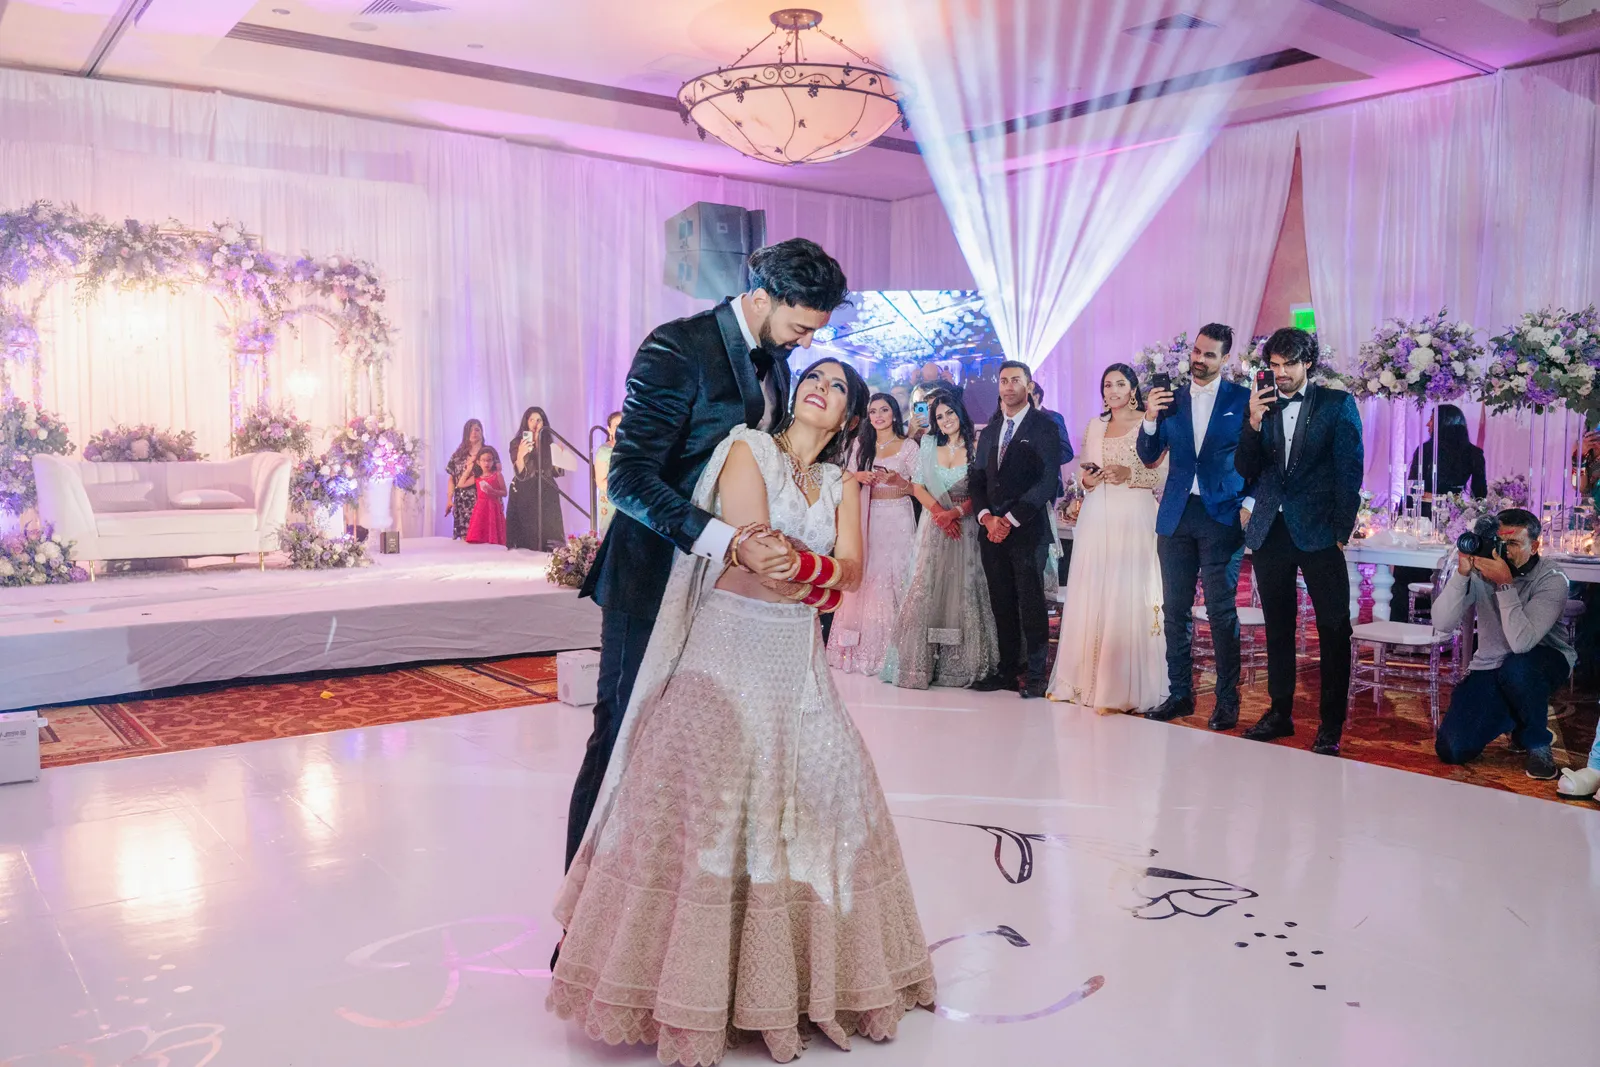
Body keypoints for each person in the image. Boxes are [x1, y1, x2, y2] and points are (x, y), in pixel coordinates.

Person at [548, 359, 935, 1064]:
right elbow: (755, 544)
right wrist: (806, 573)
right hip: (724, 648)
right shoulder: (744, 448)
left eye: (839, 385)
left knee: (825, 791)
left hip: (794, 661)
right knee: (706, 800)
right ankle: (684, 985)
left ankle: (791, 982)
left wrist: (808, 575)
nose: (822, 387)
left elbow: (848, 571)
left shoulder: (844, 483)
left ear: (850, 415)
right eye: (814, 376)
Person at [567, 238, 849, 889]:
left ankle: (663, 912)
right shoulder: (677, 346)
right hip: (652, 575)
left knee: (698, 750)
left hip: (728, 591)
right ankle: (579, 919)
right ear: (761, 296)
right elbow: (629, 480)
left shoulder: (776, 364)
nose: (806, 342)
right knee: (623, 738)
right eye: (801, 325)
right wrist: (724, 538)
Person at [1235, 327, 1364, 756]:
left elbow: (1350, 472)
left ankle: (1331, 725)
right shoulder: (1263, 405)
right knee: (1278, 627)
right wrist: (1252, 422)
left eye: (1289, 364)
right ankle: (1279, 711)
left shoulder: (1336, 404)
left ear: (1308, 362)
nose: (1281, 373)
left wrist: (1341, 532)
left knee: (1332, 628)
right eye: (1274, 365)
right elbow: (1246, 467)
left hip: (1321, 532)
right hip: (1272, 530)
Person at [1138, 324, 1253, 730]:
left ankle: (1226, 700)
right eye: (1197, 352)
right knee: (1174, 610)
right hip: (1176, 514)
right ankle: (1180, 694)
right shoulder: (1171, 400)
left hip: (1222, 514)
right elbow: (1149, 455)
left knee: (1221, 612)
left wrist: (1250, 504)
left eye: (1209, 355)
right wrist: (1150, 417)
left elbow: (1259, 457)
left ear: (1225, 360)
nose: (1199, 360)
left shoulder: (1243, 399)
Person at [1049, 364, 1168, 713]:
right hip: (1097, 514)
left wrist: (1129, 472)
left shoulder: (1150, 423)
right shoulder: (1094, 425)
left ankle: (1121, 688)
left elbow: (1163, 472)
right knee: (1092, 590)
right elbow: (1084, 475)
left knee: (1126, 593)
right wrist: (1088, 482)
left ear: (1133, 389)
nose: (1112, 390)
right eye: (1106, 385)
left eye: (1120, 384)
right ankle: (1082, 681)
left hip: (1135, 514)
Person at [1432, 509, 1574, 780]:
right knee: (1452, 748)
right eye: (1500, 542)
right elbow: (1442, 623)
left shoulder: (1553, 578)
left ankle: (1536, 742)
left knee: (1518, 668)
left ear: (1534, 547)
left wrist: (1505, 586)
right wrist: (1462, 574)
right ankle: (1516, 715)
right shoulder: (1482, 570)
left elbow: (1522, 643)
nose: (1504, 551)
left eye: (1513, 544)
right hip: (1491, 664)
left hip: (1542, 659)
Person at [882, 390, 999, 688]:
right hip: (934, 526)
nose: (945, 420)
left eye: (949, 413)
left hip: (967, 527)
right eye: (939, 416)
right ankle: (920, 666)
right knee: (928, 586)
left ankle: (958, 664)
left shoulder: (977, 445)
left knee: (963, 588)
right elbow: (917, 486)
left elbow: (982, 489)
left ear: (961, 413)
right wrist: (939, 514)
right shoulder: (929, 445)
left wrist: (956, 513)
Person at [970, 360, 1062, 698]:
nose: (1008, 386)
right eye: (1003, 381)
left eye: (1015, 380)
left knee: (1031, 602)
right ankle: (1008, 670)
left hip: (1026, 530)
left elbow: (1046, 482)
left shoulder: (1044, 427)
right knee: (1001, 602)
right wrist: (986, 518)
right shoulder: (992, 430)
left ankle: (1036, 673)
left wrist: (1008, 520)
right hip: (991, 532)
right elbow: (977, 479)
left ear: (1029, 386)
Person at [828, 393, 918, 675]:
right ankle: (861, 652)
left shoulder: (909, 446)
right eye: (874, 411)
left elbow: (919, 486)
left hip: (899, 515)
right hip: (869, 518)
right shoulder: (860, 445)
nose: (879, 416)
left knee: (899, 576)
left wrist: (899, 481)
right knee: (870, 576)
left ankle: (899, 653)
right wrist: (859, 478)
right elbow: (842, 477)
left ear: (894, 414)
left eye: (884, 410)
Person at [1393, 404, 1487, 622]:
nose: (1427, 424)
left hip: (1431, 516)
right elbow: (1479, 495)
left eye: (1432, 420)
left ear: (1444, 423)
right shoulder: (1470, 453)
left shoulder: (1428, 451)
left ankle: (1405, 619)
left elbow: (1412, 486)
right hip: (1444, 515)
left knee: (1414, 565)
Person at [507, 406, 567, 551]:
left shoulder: (548, 444)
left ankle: (550, 548)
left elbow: (556, 473)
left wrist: (560, 459)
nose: (535, 424)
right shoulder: (517, 443)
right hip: (526, 489)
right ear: (526, 422)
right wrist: (521, 454)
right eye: (532, 420)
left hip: (547, 487)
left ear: (544, 423)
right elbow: (520, 473)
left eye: (539, 420)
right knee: (528, 531)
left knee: (549, 527)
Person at [444, 418, 485, 540]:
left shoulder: (488, 453)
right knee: (465, 540)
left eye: (477, 429)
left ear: (482, 432)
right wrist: (449, 499)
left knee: (482, 539)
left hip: (481, 501)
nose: (474, 433)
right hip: (462, 503)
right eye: (470, 430)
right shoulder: (458, 455)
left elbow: (494, 475)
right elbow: (452, 479)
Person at [465, 446, 507, 546]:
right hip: (480, 508)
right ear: (479, 462)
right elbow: (461, 484)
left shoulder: (497, 475)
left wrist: (493, 491)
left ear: (493, 462)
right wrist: (469, 469)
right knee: (479, 536)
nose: (486, 463)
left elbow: (505, 493)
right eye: (483, 460)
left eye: (489, 460)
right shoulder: (477, 478)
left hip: (493, 507)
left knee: (493, 535)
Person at [593, 411, 622, 536]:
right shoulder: (605, 451)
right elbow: (601, 482)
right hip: (613, 501)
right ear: (609, 430)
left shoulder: (635, 449)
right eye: (616, 425)